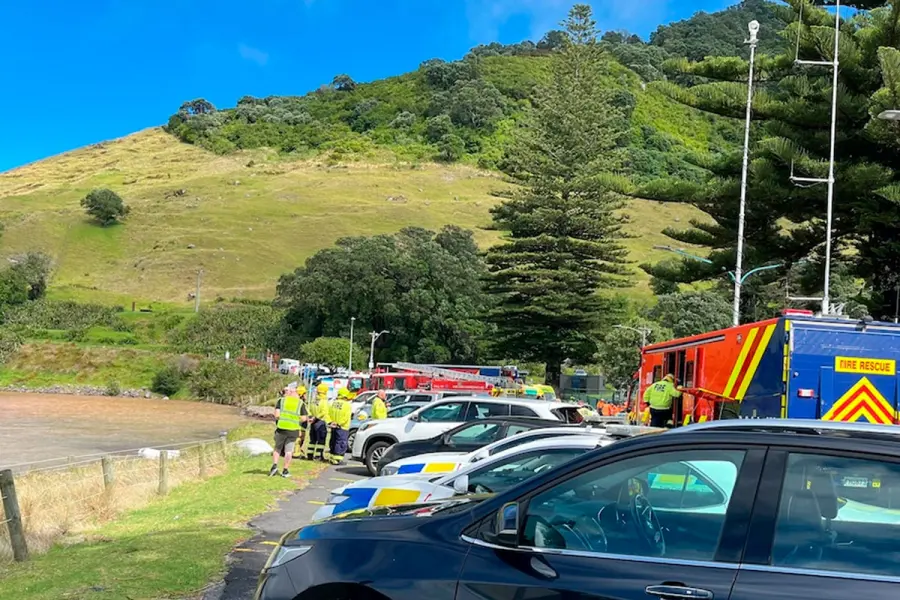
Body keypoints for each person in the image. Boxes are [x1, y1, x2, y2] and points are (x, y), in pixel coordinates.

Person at [270, 386, 308, 477]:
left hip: (281, 428)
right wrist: (296, 420)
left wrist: (283, 420)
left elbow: (276, 415)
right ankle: (285, 470)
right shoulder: (300, 403)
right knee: (289, 451)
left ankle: (274, 466)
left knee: (277, 448)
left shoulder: (281, 401)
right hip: (293, 430)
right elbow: (304, 418)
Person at [328, 388, 353, 465]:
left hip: (334, 425)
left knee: (334, 441)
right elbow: (346, 417)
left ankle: (332, 457)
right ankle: (337, 459)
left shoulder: (333, 403)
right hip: (342, 427)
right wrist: (339, 423)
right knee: (341, 443)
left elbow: (329, 413)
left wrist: (332, 422)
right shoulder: (346, 405)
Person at [307, 381, 331, 461]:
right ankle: (318, 456)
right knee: (321, 440)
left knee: (312, 440)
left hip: (313, 423)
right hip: (320, 422)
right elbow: (323, 412)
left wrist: (311, 417)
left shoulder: (314, 400)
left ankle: (310, 455)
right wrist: (316, 418)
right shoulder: (324, 401)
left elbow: (309, 409)